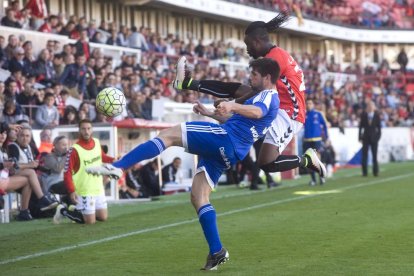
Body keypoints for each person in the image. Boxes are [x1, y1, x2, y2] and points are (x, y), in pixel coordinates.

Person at [86, 58, 280, 270]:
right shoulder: (261, 96)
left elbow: (258, 112)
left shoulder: (269, 96)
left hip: (226, 139)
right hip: (230, 149)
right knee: (198, 196)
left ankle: (119, 166)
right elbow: (242, 120)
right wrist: (210, 114)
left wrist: (233, 104)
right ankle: (217, 251)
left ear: (267, 77)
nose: (250, 78)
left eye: (254, 75)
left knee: (169, 135)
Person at [172, 12, 326, 181]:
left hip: (290, 114)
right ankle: (187, 83)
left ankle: (307, 160)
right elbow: (254, 90)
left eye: (247, 44)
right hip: (276, 106)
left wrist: (233, 103)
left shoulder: (276, 58)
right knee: (238, 90)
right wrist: (229, 105)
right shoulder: (273, 56)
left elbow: (257, 90)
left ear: (257, 41)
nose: (247, 49)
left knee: (267, 163)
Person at [53, 119, 115, 225]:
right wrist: (71, 191)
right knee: (90, 222)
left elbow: (102, 157)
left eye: (88, 128)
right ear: (79, 131)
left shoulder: (96, 142)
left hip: (98, 187)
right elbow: (67, 172)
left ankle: (77, 210)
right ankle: (62, 210)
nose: (86, 131)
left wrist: (114, 160)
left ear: (92, 130)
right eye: (83, 129)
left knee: (103, 217)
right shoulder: (74, 150)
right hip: (84, 190)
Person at [2, 123, 58, 220]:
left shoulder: (28, 147)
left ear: (30, 137)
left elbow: (32, 165)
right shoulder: (13, 147)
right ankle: (42, 199)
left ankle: (24, 212)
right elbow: (13, 167)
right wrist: (30, 165)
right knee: (31, 174)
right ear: (17, 136)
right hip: (11, 176)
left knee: (35, 177)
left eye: (27, 136)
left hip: (25, 178)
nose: (25, 138)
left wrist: (43, 168)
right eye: (22, 135)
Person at [303, 99, 328, 186]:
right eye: (307, 104)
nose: (308, 105)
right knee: (309, 161)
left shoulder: (318, 114)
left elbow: (325, 125)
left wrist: (327, 137)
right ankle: (313, 180)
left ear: (313, 104)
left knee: (317, 159)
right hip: (307, 140)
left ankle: (321, 177)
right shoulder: (304, 114)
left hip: (317, 140)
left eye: (310, 103)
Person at [359, 101, 381, 177]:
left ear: (374, 107)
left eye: (371, 106)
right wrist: (359, 137)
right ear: (367, 107)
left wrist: (378, 137)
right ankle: (364, 172)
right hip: (365, 138)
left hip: (374, 138)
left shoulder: (377, 115)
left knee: (374, 155)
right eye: (369, 106)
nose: (370, 107)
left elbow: (379, 127)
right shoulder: (364, 115)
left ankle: (376, 171)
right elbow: (360, 127)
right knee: (364, 155)